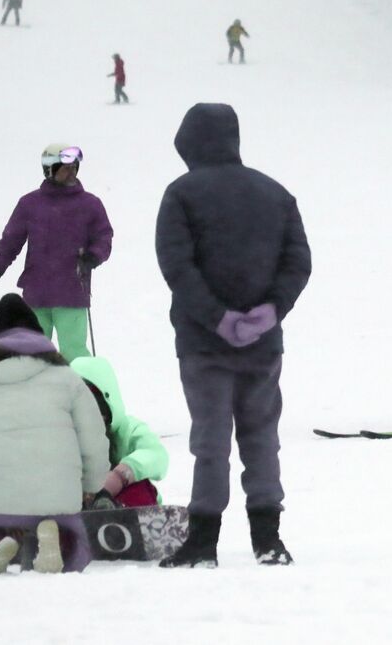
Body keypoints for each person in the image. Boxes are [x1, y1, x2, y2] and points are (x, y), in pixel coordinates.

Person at [154, 103, 312, 567]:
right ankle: (268, 539)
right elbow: (298, 261)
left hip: (204, 343)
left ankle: (204, 541)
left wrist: (216, 317)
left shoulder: (181, 194)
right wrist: (269, 311)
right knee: (262, 437)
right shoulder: (276, 194)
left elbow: (176, 265)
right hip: (263, 345)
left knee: (211, 440)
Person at [0, 293, 110, 575]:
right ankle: (57, 538)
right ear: (39, 334)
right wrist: (91, 485)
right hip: (59, 493)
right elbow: (93, 437)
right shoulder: (67, 377)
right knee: (73, 531)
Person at [0, 144, 113, 360]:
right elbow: (10, 243)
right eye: (65, 168)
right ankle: (38, 393)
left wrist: (92, 257)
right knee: (35, 356)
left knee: (74, 354)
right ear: (49, 170)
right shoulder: (30, 204)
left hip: (72, 294)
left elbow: (104, 238)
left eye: (74, 167)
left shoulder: (90, 205)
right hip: (36, 295)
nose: (72, 172)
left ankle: (82, 391)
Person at [71, 356, 168, 508]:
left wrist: (120, 476)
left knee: (139, 488)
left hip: (125, 506)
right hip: (73, 510)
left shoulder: (129, 430)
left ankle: (141, 524)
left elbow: (157, 456)